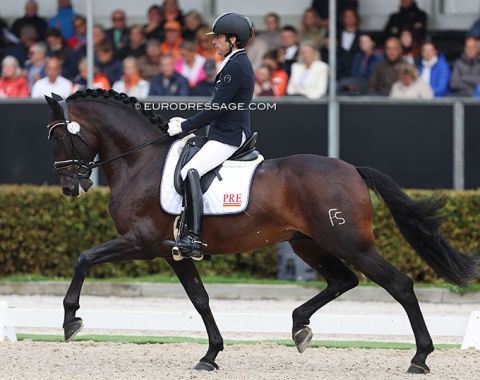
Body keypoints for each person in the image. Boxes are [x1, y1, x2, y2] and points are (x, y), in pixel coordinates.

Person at [162, 13, 255, 260]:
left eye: (219, 38)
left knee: (188, 172)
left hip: (229, 136)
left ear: (233, 39)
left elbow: (217, 108)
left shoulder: (236, 66)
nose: (214, 42)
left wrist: (185, 126)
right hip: (223, 132)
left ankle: (193, 237)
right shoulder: (235, 62)